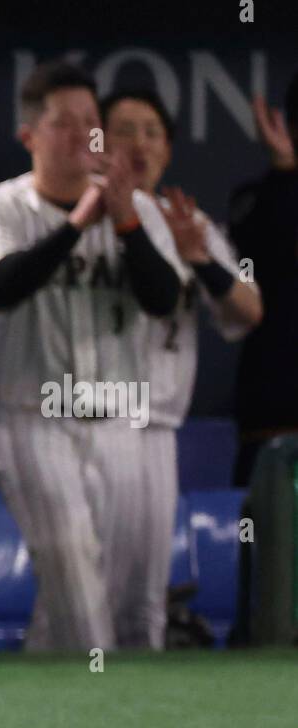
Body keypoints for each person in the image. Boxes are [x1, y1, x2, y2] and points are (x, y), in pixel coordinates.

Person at [0, 59, 183, 652]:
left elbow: (164, 299)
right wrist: (82, 220)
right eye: (66, 122)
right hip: (29, 416)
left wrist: (125, 220)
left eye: (93, 120)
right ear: (30, 135)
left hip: (119, 418)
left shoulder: (138, 210)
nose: (87, 133)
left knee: (110, 600)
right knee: (78, 584)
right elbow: (2, 286)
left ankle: (45, 696)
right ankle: (104, 716)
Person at [99, 88, 262, 648]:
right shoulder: (80, 209)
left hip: (154, 429)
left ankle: (124, 716)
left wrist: (201, 264)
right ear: (98, 139)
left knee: (142, 599)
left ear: (168, 148)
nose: (139, 142)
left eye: (152, 131)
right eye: (124, 129)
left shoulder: (188, 223)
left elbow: (248, 309)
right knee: (79, 591)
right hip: (81, 420)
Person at [228, 74, 298, 486]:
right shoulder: (256, 201)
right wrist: (286, 173)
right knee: (271, 546)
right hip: (276, 419)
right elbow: (252, 258)